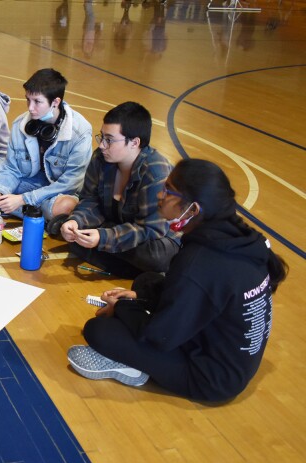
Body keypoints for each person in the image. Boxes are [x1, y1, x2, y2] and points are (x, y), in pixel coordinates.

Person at [67, 159, 288, 402]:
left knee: (100, 330)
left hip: (210, 378)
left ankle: (132, 367)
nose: (161, 194)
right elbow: (197, 294)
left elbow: (160, 336)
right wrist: (137, 298)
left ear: (193, 209)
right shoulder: (239, 237)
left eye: (169, 190)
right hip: (226, 351)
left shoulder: (198, 263)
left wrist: (121, 308)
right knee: (146, 281)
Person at [60, 101, 178, 278]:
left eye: (109, 140)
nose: (102, 145)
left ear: (134, 143)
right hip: (119, 227)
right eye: (102, 137)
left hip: (155, 239)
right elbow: (90, 200)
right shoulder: (101, 158)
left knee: (155, 258)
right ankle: (127, 268)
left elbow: (151, 230)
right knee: (76, 238)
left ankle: (106, 254)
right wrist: (76, 222)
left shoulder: (155, 171)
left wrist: (103, 237)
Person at [0, 68, 92, 224]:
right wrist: (0, 191)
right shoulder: (20, 124)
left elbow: (70, 184)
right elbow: (11, 168)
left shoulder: (80, 131)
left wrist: (22, 199)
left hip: (58, 192)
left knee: (65, 207)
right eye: (28, 100)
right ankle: (34, 216)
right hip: (29, 183)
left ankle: (15, 209)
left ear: (55, 102)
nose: (30, 107)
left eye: (37, 101)